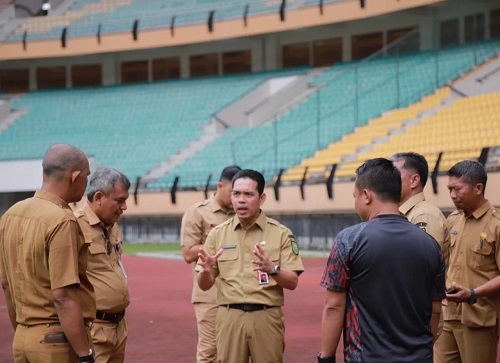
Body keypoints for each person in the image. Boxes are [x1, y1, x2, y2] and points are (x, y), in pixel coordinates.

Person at [318, 158, 445, 363]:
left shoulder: (349, 240)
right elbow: (436, 309)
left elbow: (333, 306)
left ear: (367, 195)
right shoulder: (430, 245)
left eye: (355, 196)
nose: (355, 203)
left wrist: (326, 357)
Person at [0, 144, 96, 363]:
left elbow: (5, 283)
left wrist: (24, 330)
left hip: (23, 337)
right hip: (56, 340)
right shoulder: (61, 219)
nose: (86, 183)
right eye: (86, 177)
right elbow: (63, 296)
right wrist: (85, 354)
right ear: (75, 177)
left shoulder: (10, 215)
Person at [197, 169, 304, 363]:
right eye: (236, 194)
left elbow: (293, 282)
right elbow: (204, 285)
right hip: (230, 317)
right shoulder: (217, 234)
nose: (241, 200)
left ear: (261, 198)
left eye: (248, 194)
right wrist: (205, 272)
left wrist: (273, 269)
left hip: (266, 316)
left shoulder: (281, 234)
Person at [434, 160, 500, 363]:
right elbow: (443, 262)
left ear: (478, 188)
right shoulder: (452, 220)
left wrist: (472, 294)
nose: (452, 195)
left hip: (479, 319)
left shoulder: (496, 225)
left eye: (457, 189)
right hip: (448, 316)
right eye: (449, 189)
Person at [180, 165, 241, 363]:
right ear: (219, 186)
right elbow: (188, 253)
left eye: (240, 193)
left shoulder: (242, 212)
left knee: (236, 350)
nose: (237, 198)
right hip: (210, 294)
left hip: (239, 292)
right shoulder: (198, 213)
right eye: (233, 192)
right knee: (210, 351)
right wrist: (221, 245)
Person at [74, 167, 131, 363]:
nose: (124, 207)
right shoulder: (74, 226)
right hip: (93, 330)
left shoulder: (112, 224)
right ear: (98, 197)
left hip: (118, 327)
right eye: (120, 200)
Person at [391, 152, 447, 248]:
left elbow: (425, 260)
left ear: (414, 181)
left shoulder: (424, 215)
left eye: (394, 176)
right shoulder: (401, 213)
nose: (388, 181)